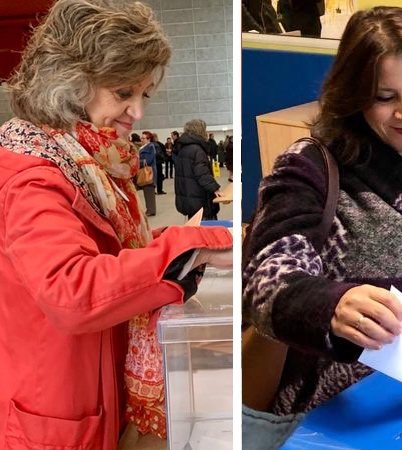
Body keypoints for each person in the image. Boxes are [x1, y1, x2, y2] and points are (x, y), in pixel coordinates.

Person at [0, 1, 233, 448]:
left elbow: (107, 256)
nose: (138, 111)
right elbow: (72, 290)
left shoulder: (82, 161)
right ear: (70, 83)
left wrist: (181, 245)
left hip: (89, 394)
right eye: (123, 92)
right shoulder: (34, 176)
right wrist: (184, 247)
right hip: (59, 410)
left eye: (144, 94)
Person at [243, 5, 402, 419]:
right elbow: (266, 280)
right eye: (384, 97)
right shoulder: (311, 166)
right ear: (353, 97)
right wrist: (331, 304)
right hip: (340, 407)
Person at [174, 118, 222, 220]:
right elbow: (202, 174)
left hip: (190, 197)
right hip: (200, 199)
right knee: (206, 229)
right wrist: (215, 188)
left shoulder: (184, 148)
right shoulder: (197, 150)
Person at [138, 131, 157, 216]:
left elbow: (149, 160)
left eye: (143, 138)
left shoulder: (150, 147)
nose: (141, 139)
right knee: (147, 191)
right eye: (141, 138)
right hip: (145, 171)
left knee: (149, 191)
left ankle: (151, 210)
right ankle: (149, 209)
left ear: (149, 139)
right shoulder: (142, 147)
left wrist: (138, 162)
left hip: (149, 171)